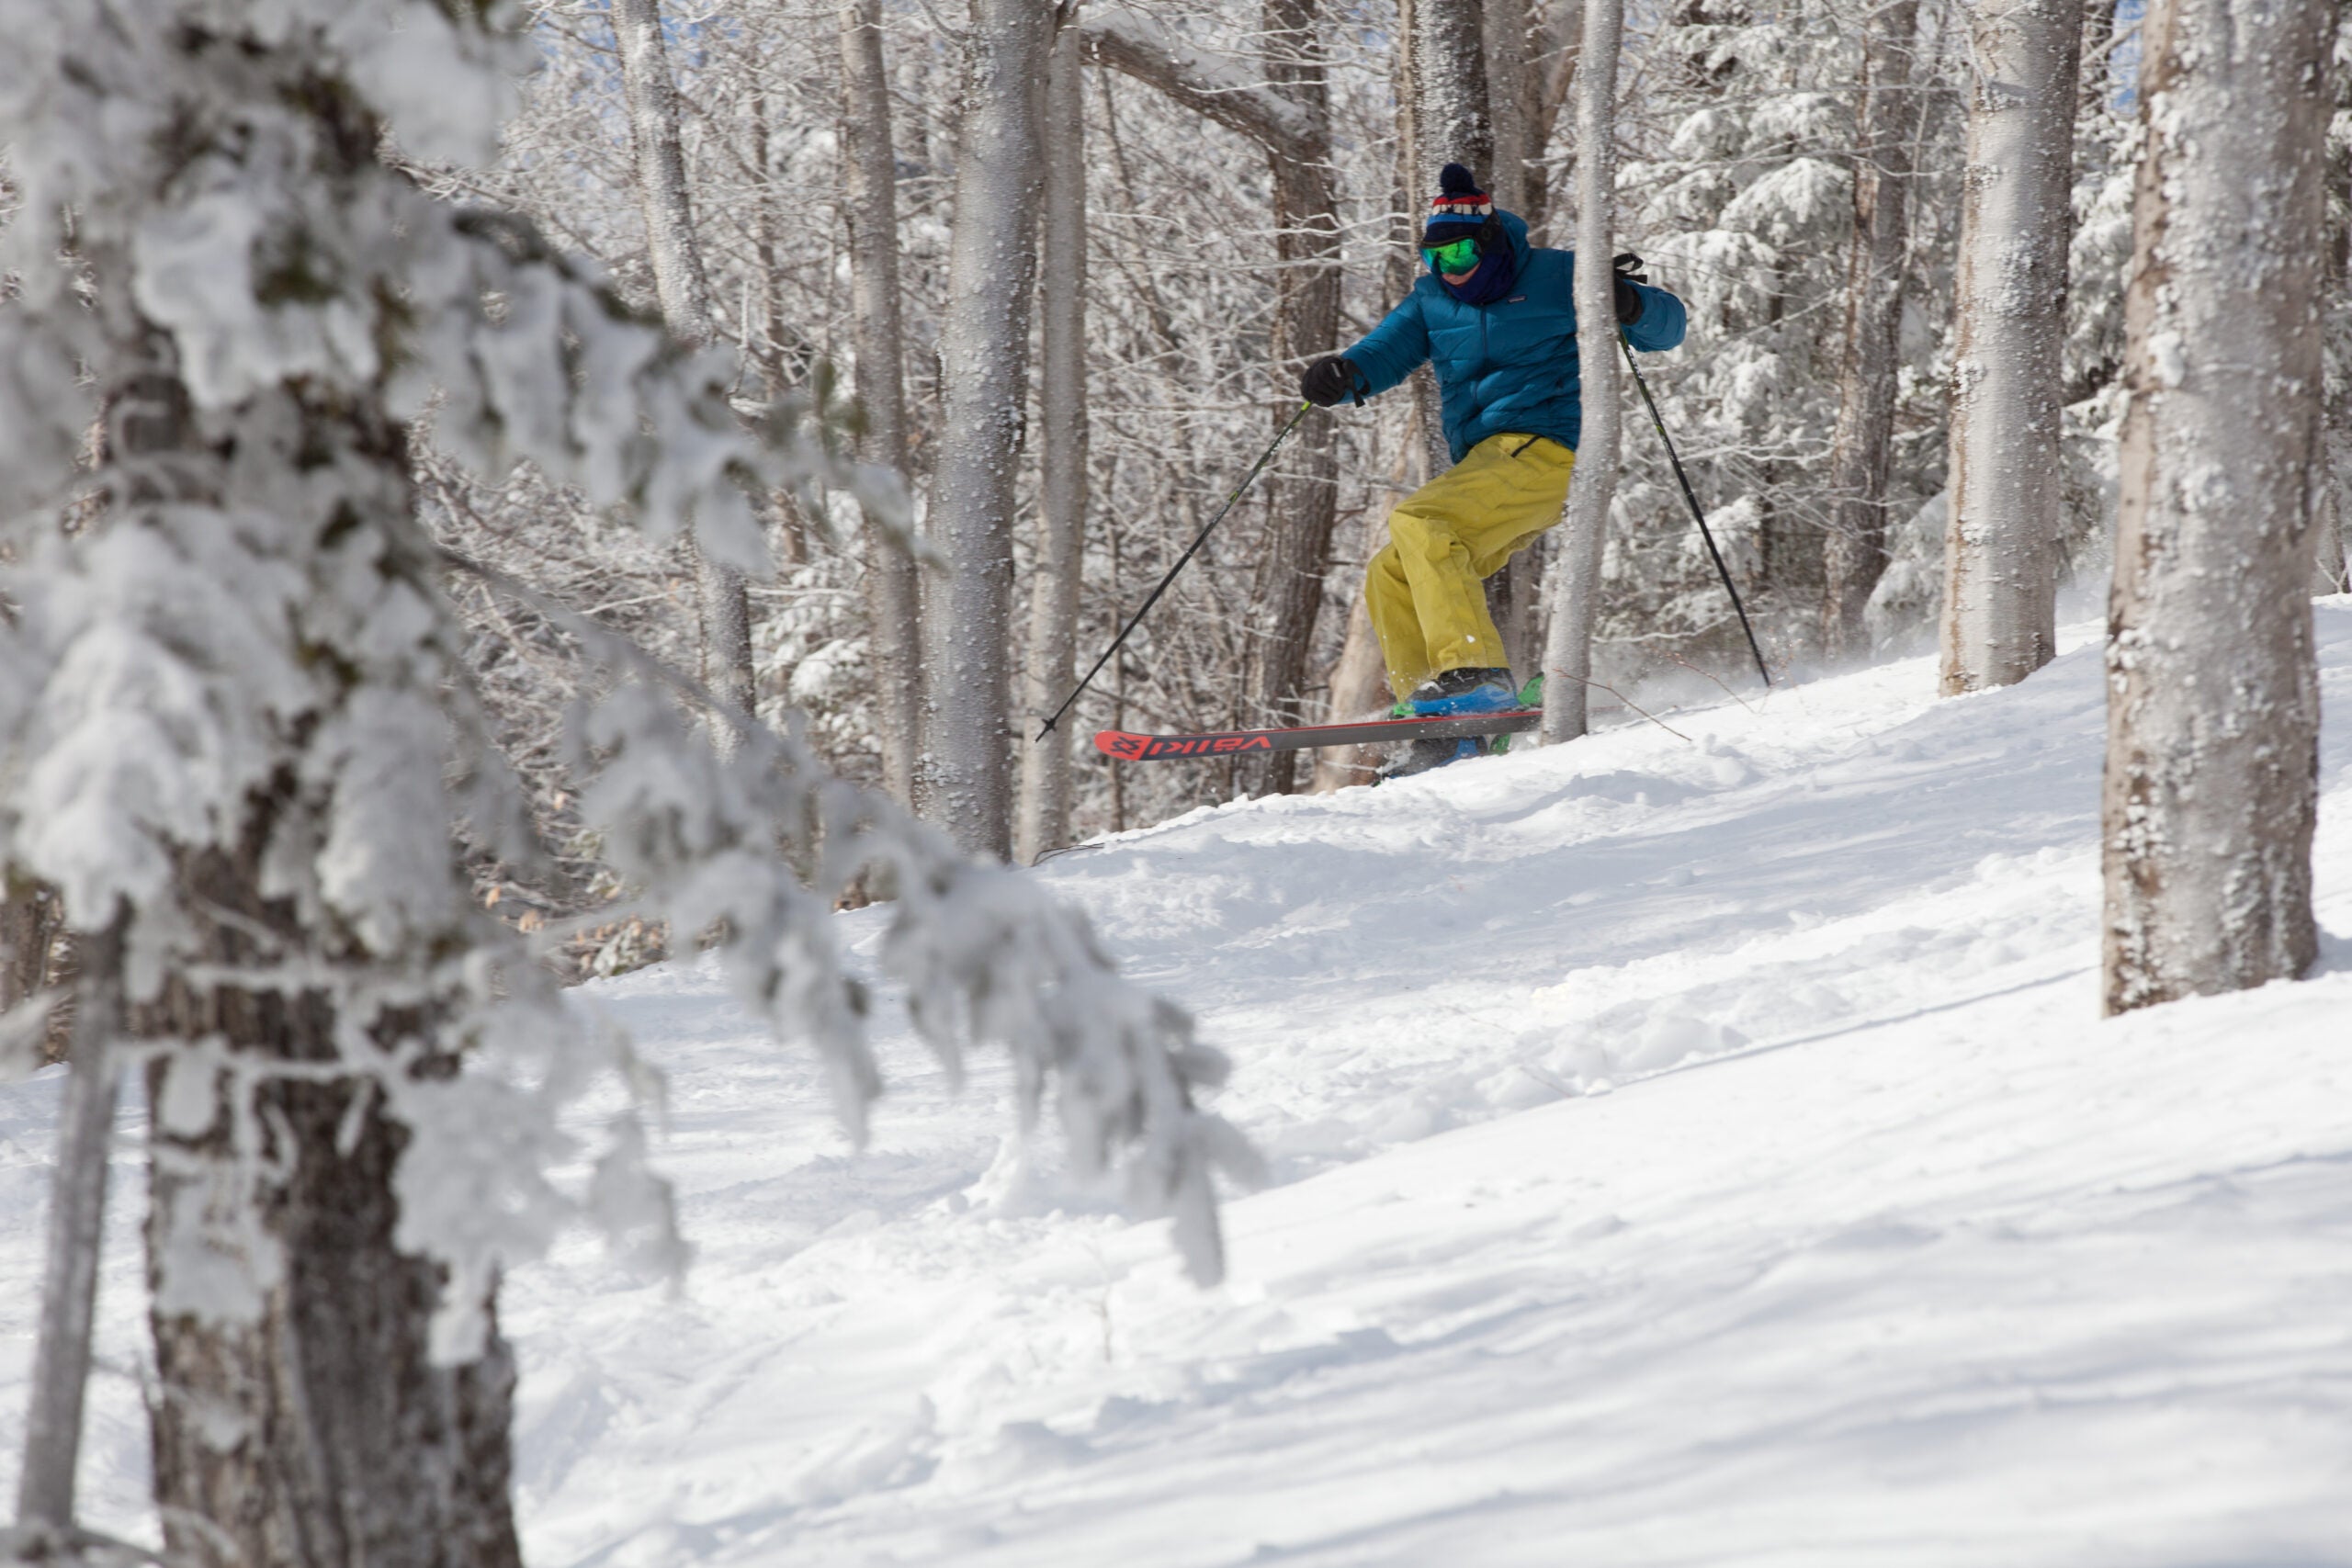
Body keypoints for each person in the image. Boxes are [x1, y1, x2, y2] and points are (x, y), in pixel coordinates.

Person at [1301, 163, 1688, 776]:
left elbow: (1669, 328)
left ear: (1487, 242)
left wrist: (1631, 302)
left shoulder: (1557, 274)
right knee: (1391, 571)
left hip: (1550, 448)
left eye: (1459, 251)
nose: (1450, 267)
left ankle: (1474, 679)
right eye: (1437, 255)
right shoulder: (1434, 297)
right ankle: (1447, 727)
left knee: (1422, 521)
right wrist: (1346, 375)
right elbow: (1384, 350)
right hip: (1491, 463)